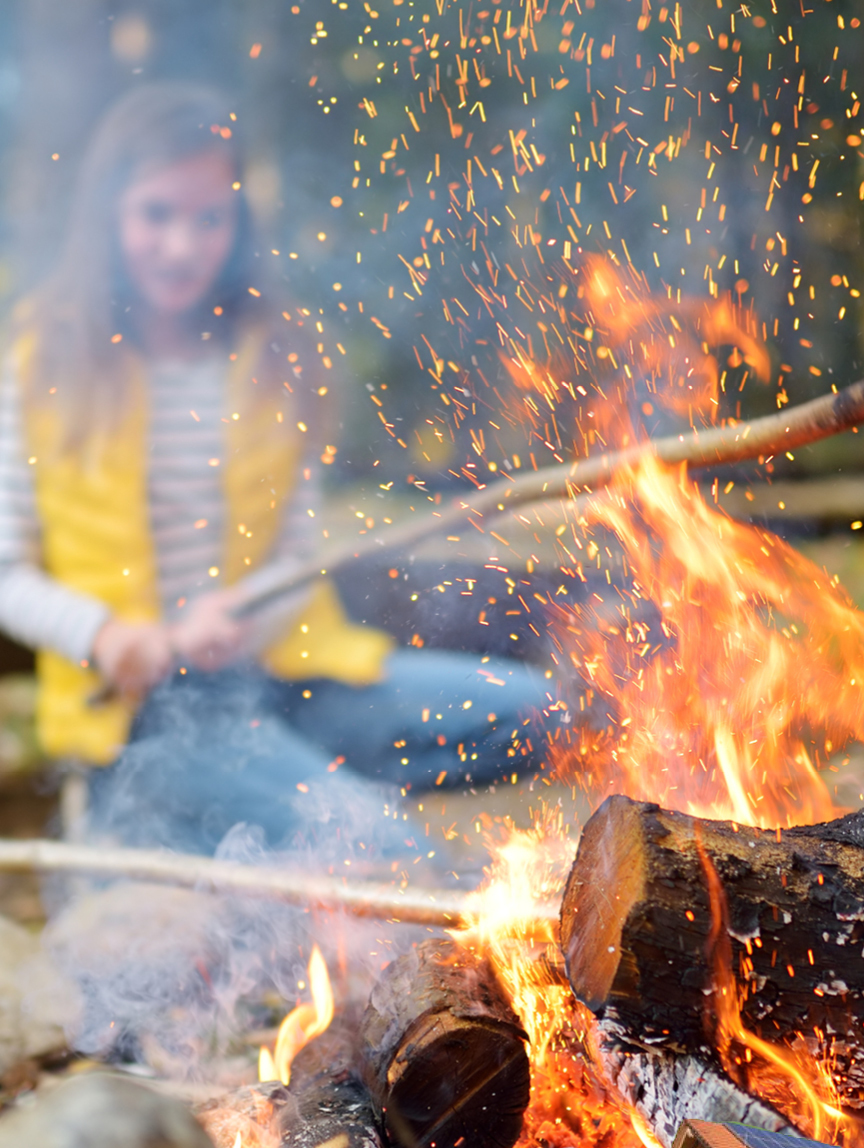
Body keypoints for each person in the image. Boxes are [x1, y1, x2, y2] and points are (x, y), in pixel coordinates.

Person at [0, 82, 550, 862]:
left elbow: (295, 550)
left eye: (209, 219)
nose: (183, 245)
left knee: (549, 713)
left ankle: (291, 794)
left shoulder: (280, 351)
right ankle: (275, 805)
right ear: (108, 213)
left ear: (239, 223)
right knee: (381, 848)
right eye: (157, 214)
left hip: (290, 679)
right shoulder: (43, 358)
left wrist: (243, 623)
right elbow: (6, 569)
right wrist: (105, 635)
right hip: (144, 717)